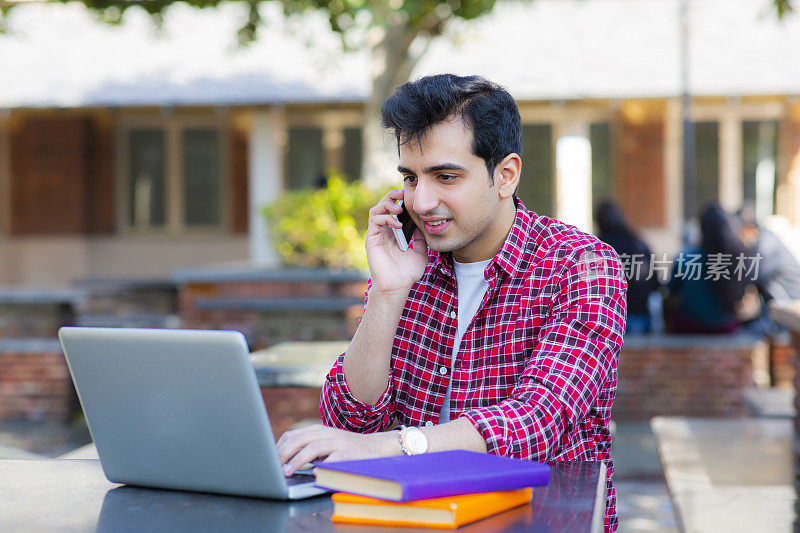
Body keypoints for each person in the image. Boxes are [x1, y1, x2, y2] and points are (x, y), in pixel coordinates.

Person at [276, 74, 627, 531]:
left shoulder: (582, 265)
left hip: (537, 518)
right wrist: (386, 292)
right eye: (410, 177)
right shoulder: (412, 263)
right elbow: (351, 419)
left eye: (445, 176)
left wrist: (393, 446)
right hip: (410, 519)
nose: (421, 201)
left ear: (505, 175)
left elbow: (533, 422)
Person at [664, 203, 753, 334]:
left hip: (690, 326)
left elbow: (670, 290)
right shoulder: (737, 257)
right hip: (726, 326)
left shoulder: (686, 257)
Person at [595, 200, 660, 334]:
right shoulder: (638, 243)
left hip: (606, 319)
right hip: (638, 315)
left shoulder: (595, 248)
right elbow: (654, 281)